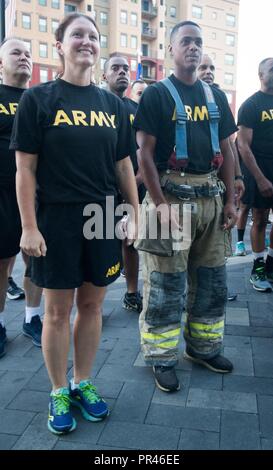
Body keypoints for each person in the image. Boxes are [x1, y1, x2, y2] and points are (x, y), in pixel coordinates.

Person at [10, 13, 139, 434]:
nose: (86, 41)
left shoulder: (114, 106)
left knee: (93, 305)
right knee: (56, 310)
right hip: (57, 218)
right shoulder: (38, 99)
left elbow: (123, 166)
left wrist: (135, 213)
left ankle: (84, 381)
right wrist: (29, 226)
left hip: (101, 216)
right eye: (77, 35)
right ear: (61, 45)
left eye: (93, 36)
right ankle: (58, 388)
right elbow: (25, 170)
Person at [134, 21, 237, 393]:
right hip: (170, 199)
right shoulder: (156, 95)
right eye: (185, 42)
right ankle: (162, 358)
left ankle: (204, 348)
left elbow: (226, 150)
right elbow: (143, 154)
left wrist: (230, 200)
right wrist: (159, 205)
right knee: (165, 284)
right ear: (171, 50)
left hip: (210, 198)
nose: (193, 48)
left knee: (211, 280)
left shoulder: (215, 97)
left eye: (198, 42)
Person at [0, 38, 43, 359]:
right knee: (2, 263)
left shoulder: (40, 99)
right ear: (1, 62)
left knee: (36, 259)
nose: (24, 58)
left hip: (35, 196)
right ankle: (0, 323)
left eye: (28, 53)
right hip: (1, 195)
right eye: (16, 52)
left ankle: (32, 318)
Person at [197, 54, 243, 301]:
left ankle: (216, 289)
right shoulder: (179, 95)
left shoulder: (220, 99)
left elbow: (229, 144)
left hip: (218, 180)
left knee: (219, 238)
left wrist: (238, 176)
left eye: (212, 67)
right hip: (192, 182)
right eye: (204, 67)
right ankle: (190, 293)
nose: (208, 71)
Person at [103, 55, 147, 313]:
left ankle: (131, 292)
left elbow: (145, 150)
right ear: (104, 75)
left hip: (132, 187)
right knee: (98, 241)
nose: (121, 72)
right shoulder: (94, 105)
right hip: (100, 190)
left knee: (130, 241)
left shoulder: (135, 110)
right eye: (115, 68)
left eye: (125, 69)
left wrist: (135, 180)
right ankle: (94, 300)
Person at [237, 57, 273, 293]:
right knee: (260, 218)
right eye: (272, 69)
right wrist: (260, 178)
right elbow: (243, 146)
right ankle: (257, 268)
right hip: (260, 171)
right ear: (261, 75)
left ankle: (271, 263)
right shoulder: (251, 105)